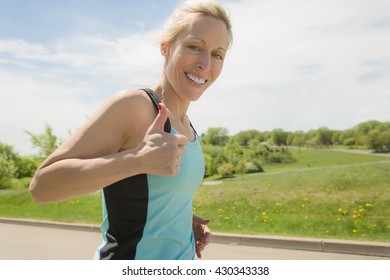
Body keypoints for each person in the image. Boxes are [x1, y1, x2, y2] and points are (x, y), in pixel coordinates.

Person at [29, 0, 233, 260]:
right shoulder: (135, 106)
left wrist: (179, 220)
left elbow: (147, 195)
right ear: (167, 48)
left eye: (217, 54)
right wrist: (137, 160)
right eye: (194, 46)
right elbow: (41, 186)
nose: (205, 62)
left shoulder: (187, 125)